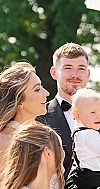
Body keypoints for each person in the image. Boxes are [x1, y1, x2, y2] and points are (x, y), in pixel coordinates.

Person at [39, 43, 92, 176]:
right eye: (68, 68)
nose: (75, 75)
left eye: (81, 68)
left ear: (88, 74)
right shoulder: (38, 119)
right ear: (54, 73)